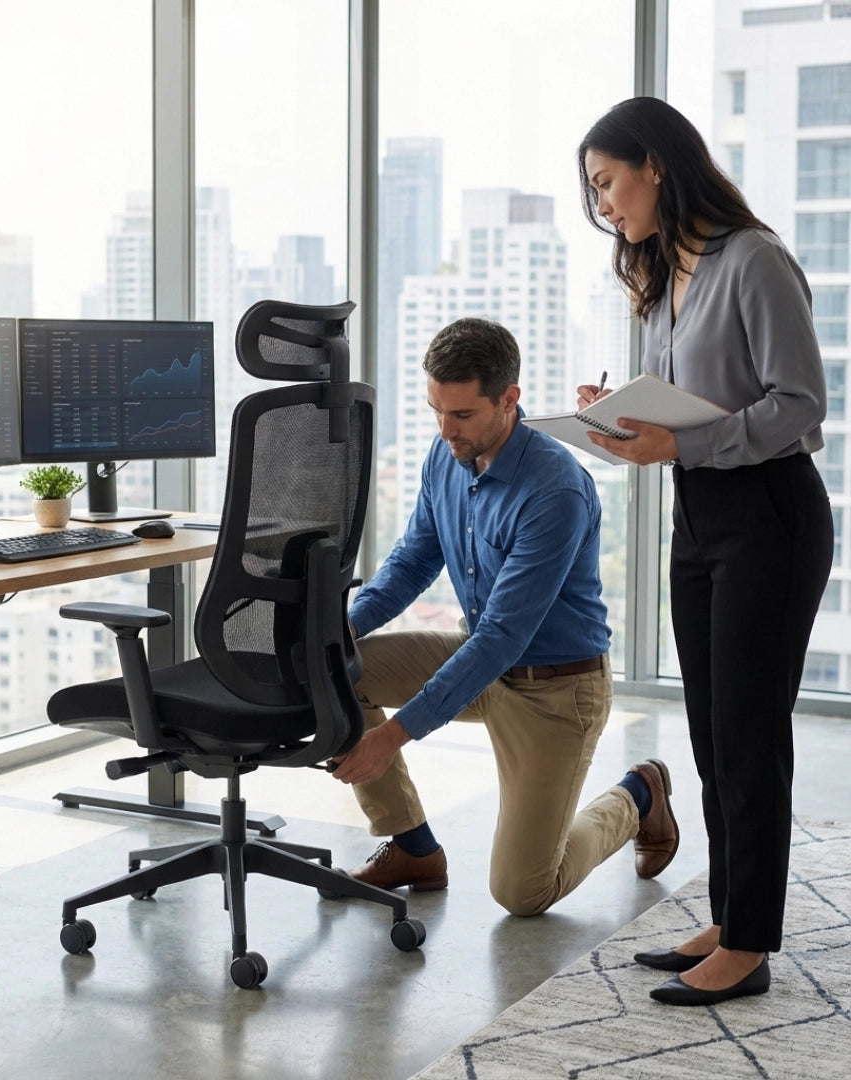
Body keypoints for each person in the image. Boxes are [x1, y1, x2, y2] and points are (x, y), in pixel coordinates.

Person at [576, 96, 833, 1006]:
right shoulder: (662, 275)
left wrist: (678, 443)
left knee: (749, 736)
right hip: (702, 518)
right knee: (712, 732)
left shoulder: (753, 260)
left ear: (655, 165)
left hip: (770, 515)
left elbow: (800, 407)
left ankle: (752, 946)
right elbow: (685, 408)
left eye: (608, 182)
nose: (604, 203)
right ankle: (731, 913)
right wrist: (620, 418)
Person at [328, 316, 680, 921]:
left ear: (509, 400)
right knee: (339, 669)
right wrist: (339, 632)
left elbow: (503, 635)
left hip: (556, 689)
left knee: (522, 893)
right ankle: (414, 848)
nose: (446, 430)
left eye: (461, 415)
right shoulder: (445, 456)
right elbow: (414, 561)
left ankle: (639, 795)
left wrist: (393, 735)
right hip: (480, 660)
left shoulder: (556, 490)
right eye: (437, 411)